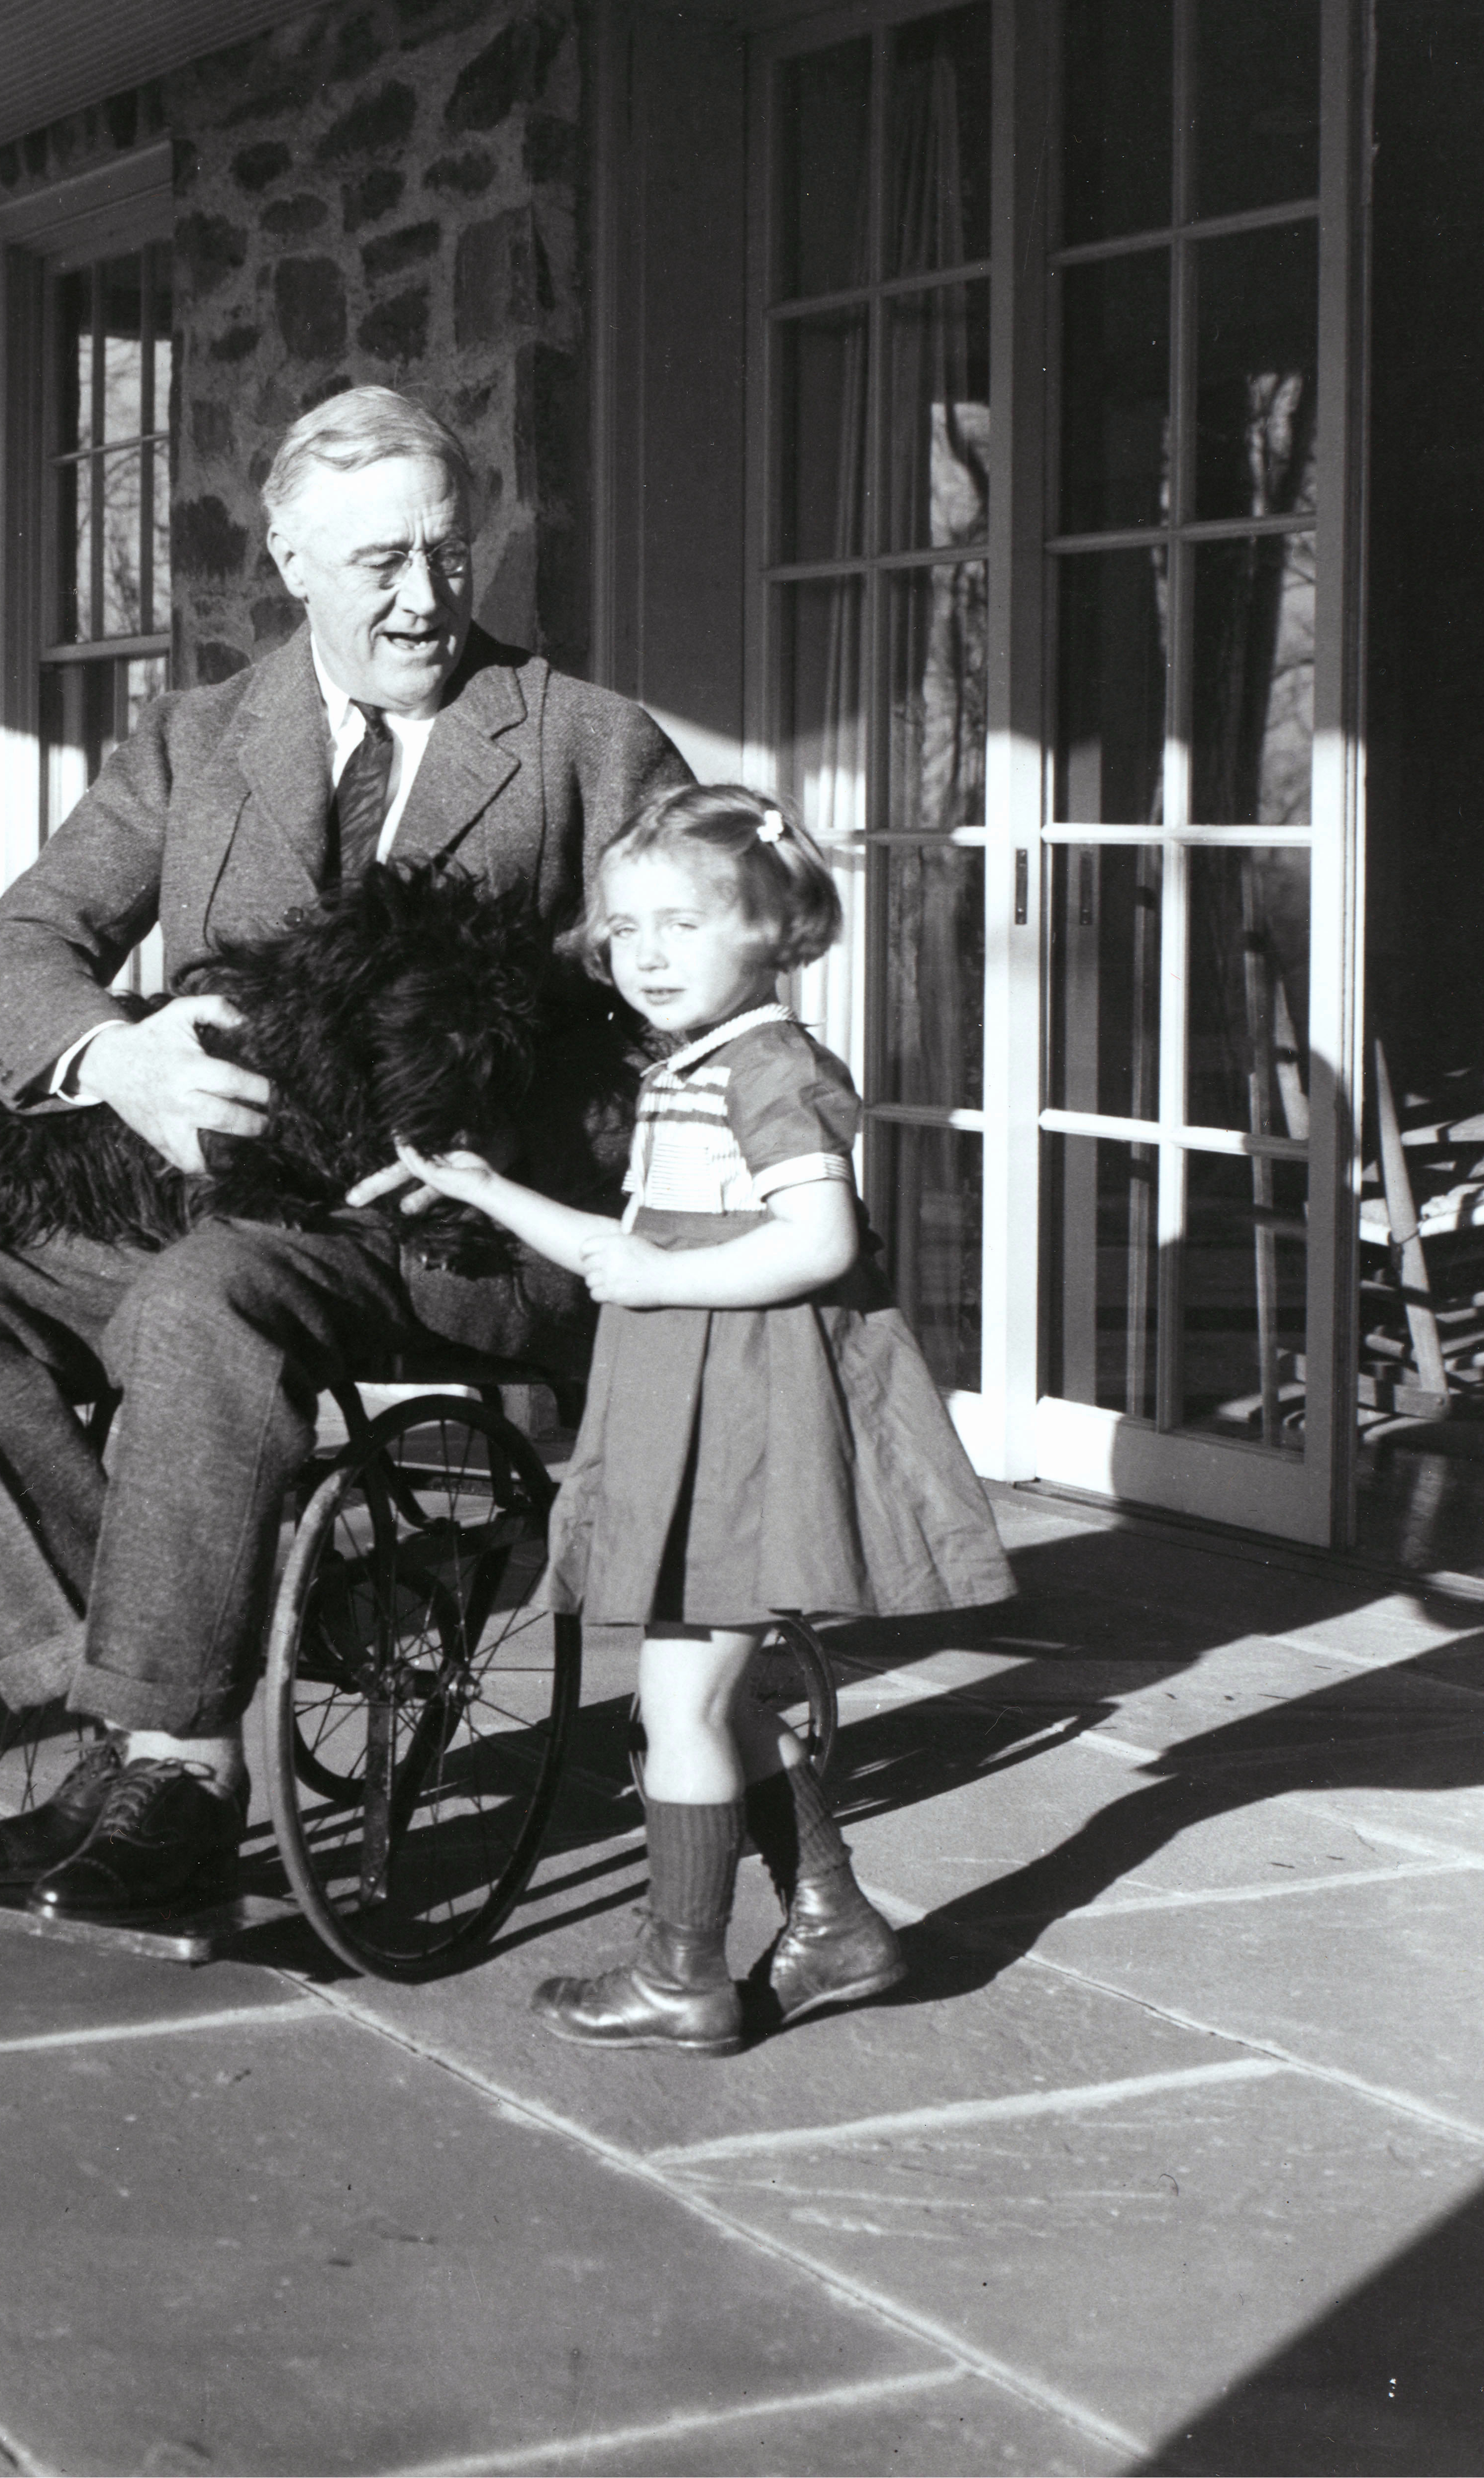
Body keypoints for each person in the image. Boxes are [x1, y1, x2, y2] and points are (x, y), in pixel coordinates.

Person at [0, 389, 691, 1921]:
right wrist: (118, 1060)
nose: (422, 596)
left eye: (447, 552)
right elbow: (16, 946)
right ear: (289, 558)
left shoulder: (587, 744)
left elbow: (691, 1023)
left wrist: (504, 1146)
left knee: (199, 1302)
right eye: (378, 562)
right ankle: (143, 1705)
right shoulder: (197, 736)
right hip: (218, 1200)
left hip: (446, 1232)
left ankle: (181, 1769)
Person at [395, 782, 1015, 2055]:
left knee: (677, 1705)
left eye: (683, 923)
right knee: (711, 1697)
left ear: (774, 929)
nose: (648, 953)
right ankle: (834, 1922)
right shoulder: (694, 1067)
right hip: (696, 1411)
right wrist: (485, 1188)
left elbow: (817, 1239)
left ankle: (681, 1972)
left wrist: (661, 1275)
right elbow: (621, 1250)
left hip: (746, 1422)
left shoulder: (774, 1068)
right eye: (624, 928)